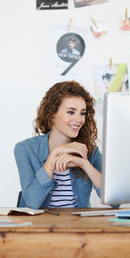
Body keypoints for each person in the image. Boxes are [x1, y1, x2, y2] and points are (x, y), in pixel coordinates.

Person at [15, 81, 106, 209]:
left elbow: (113, 202)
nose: (79, 119)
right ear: (52, 114)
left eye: (82, 113)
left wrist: (84, 164)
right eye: (70, 112)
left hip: (76, 225)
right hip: (40, 227)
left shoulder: (90, 151)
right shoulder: (25, 149)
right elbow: (31, 203)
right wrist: (54, 154)